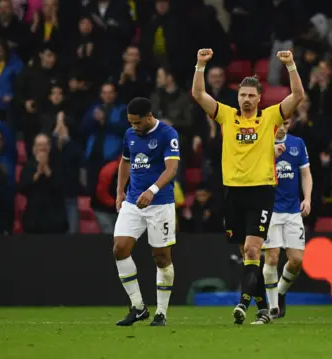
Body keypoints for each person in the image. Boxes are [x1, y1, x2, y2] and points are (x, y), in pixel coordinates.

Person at [191, 48, 305, 324]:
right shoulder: (226, 116)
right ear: (237, 97)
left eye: (251, 95)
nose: (246, 99)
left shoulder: (269, 118)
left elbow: (298, 96)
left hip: (261, 191)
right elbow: (198, 95)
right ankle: (264, 309)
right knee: (246, 254)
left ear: (259, 98)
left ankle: (242, 304)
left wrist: (290, 65)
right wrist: (200, 65)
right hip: (232, 192)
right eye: (243, 95)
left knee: (254, 250)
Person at [113, 97, 180, 327]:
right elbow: (124, 162)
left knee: (161, 257)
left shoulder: (168, 134)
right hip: (132, 202)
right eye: (131, 123)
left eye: (137, 123)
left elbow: (172, 169)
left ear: (149, 116)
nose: (134, 127)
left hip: (160, 203)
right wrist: (120, 192)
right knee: (120, 248)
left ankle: (161, 312)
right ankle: (138, 307)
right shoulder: (130, 135)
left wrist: (152, 191)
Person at [255, 123, 312, 325]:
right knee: (271, 257)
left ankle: (279, 293)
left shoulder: (297, 143)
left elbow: (305, 173)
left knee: (296, 260)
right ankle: (272, 308)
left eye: (287, 123)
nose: (283, 128)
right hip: (269, 209)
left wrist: (307, 198)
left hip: (293, 210)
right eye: (279, 124)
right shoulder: (261, 142)